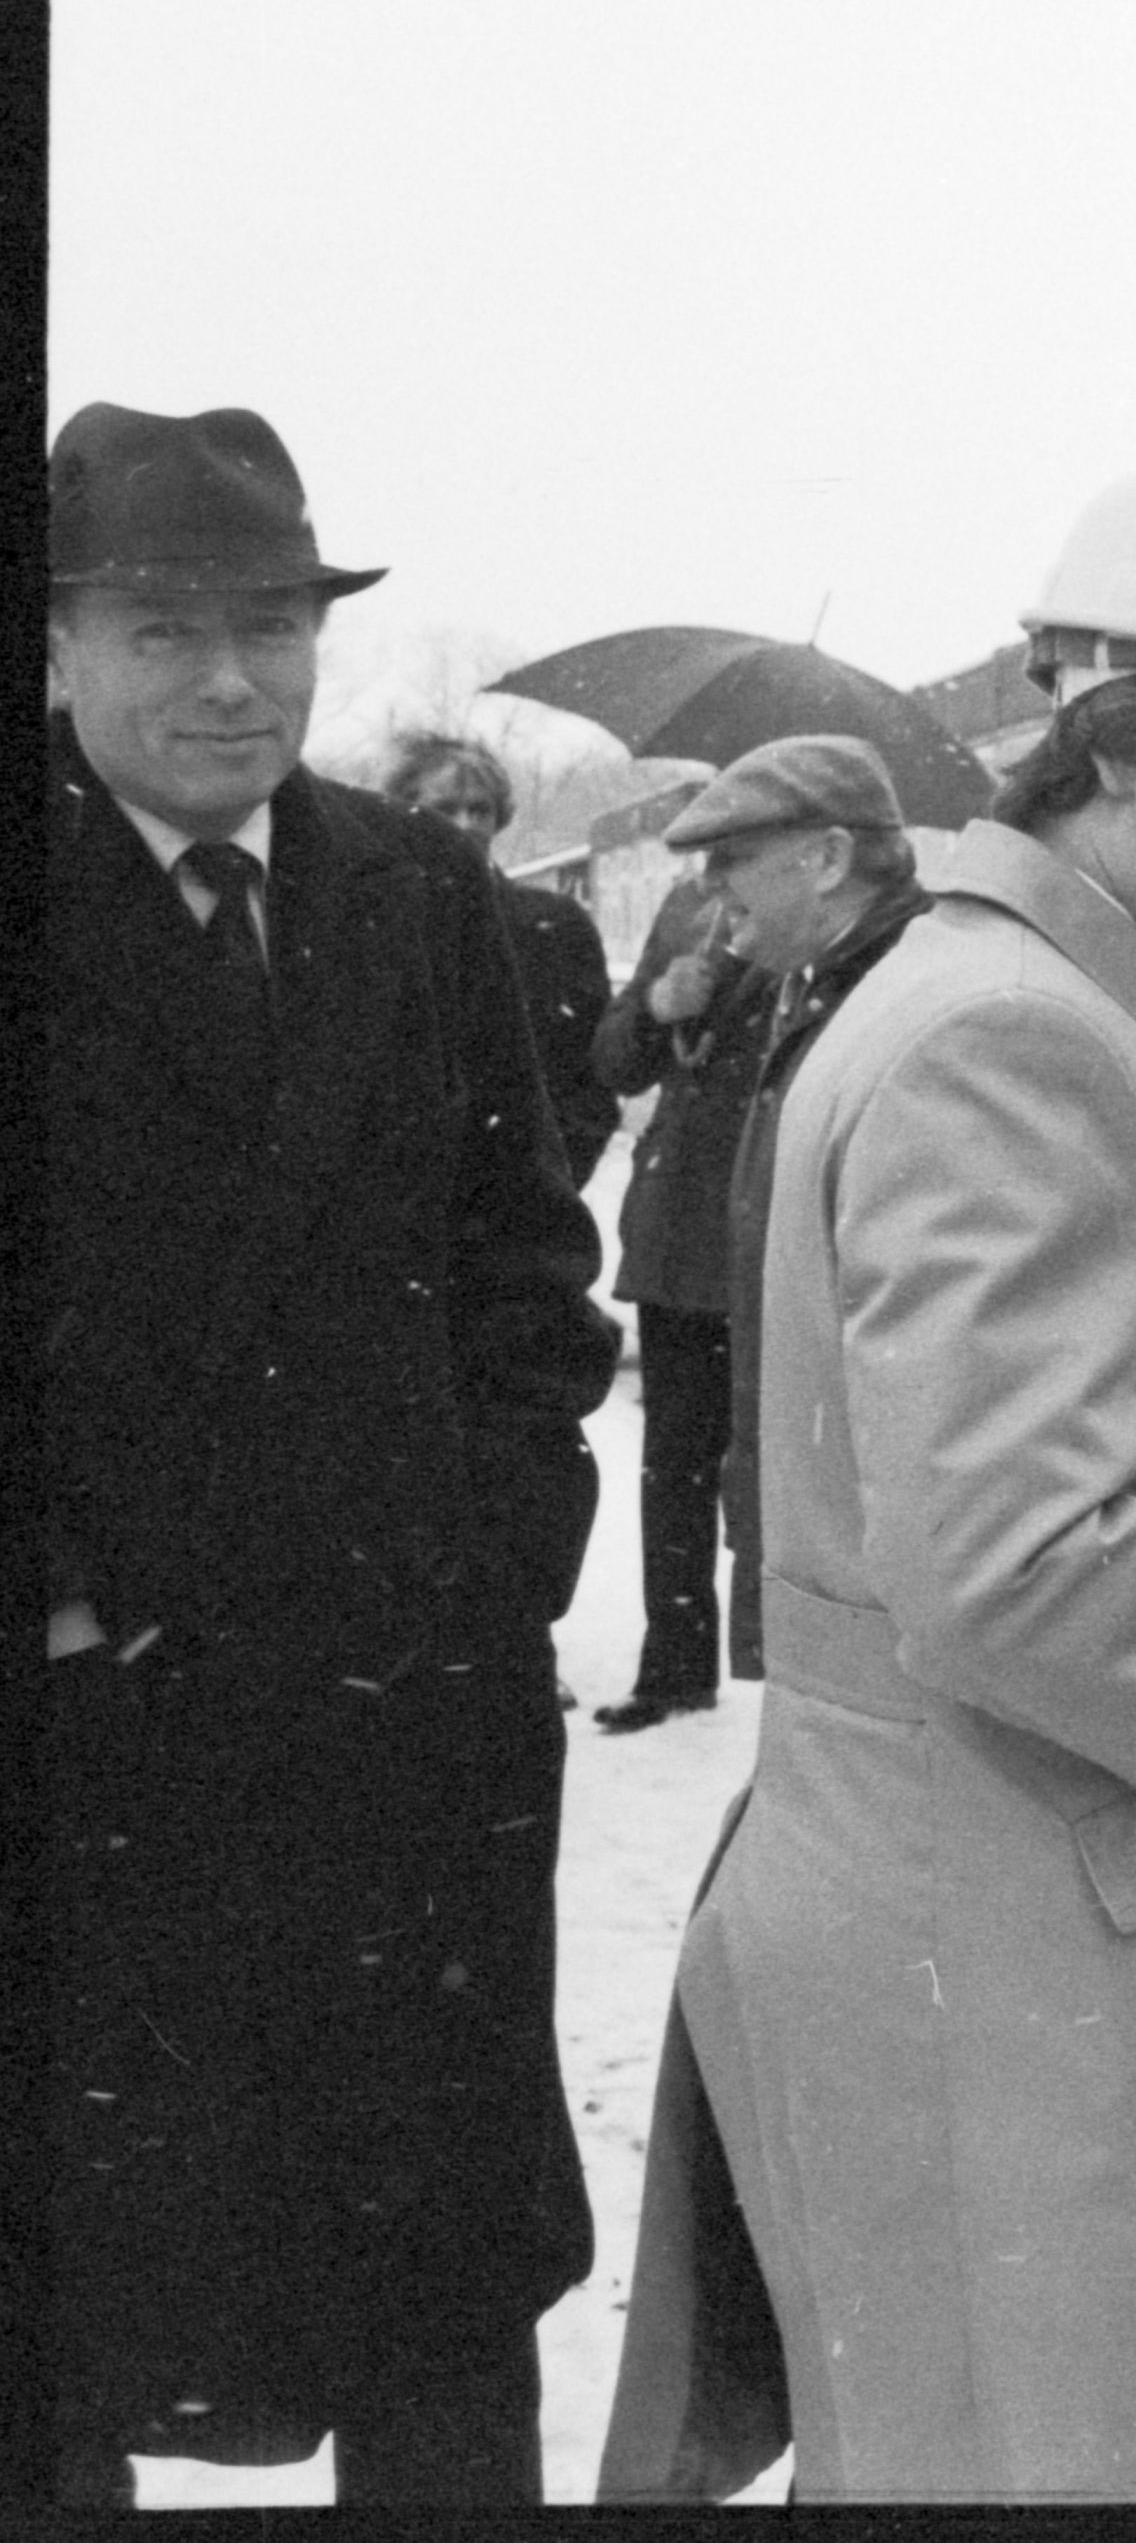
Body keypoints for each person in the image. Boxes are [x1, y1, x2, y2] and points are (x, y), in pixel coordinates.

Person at [595, 444, 1136, 2505]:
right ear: (1135, 752)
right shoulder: (1024, 1034)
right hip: (1006, 1973)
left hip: (973, 1930)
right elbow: (1011, 1572)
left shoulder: (1020, 994)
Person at [31, 403, 618, 2506]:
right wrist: (65, 1608)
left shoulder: (418, 894)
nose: (229, 678)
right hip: (97, 1744)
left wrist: (496, 1556)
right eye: (165, 625)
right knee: (67, 2303)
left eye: (270, 622)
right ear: (58, 647)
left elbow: (526, 1265)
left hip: (404, 1725)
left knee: (438, 2296)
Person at [655, 735, 932, 1710]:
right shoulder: (816, 985)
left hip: (881, 1545)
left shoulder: (915, 1002)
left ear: (824, 859)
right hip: (823, 1513)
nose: (714, 892)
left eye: (733, 862)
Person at [589, 861, 772, 1726]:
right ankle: (675, 1664)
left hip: (775, 1232)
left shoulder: (844, 925)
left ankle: (798, 1680)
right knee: (674, 1465)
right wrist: (660, 1007)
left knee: (785, 1468)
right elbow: (614, 1060)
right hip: (677, 1233)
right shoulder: (688, 907)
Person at [386, 727, 621, 1185]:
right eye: (445, 808)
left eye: (480, 809)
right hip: (399, 1207)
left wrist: (554, 1181)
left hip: (525, 1205)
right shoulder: (373, 923)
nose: (466, 823)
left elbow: (590, 1074)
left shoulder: (554, 927)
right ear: (404, 815)